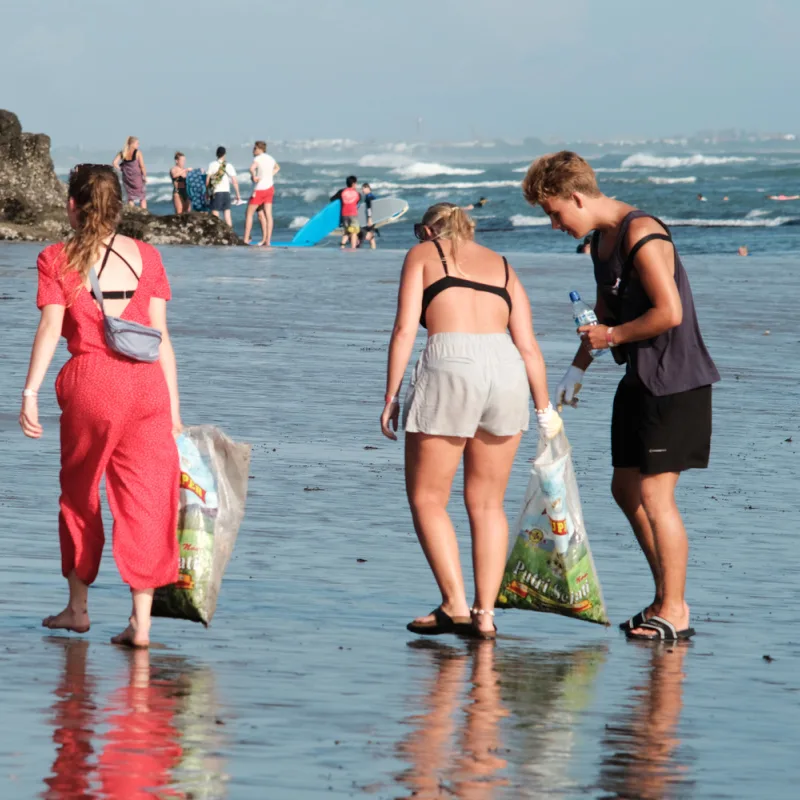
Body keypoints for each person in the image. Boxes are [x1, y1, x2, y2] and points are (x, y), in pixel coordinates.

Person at [522, 151, 720, 642]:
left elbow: (668, 312)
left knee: (655, 494)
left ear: (576, 197)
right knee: (624, 489)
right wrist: (576, 368)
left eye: (554, 212)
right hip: (640, 379)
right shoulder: (601, 242)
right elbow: (602, 317)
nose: (553, 224)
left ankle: (675, 609)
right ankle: (664, 597)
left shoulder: (642, 233)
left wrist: (609, 339)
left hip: (676, 382)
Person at [380, 203, 562, 640]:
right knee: (487, 504)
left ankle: (454, 604)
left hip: (451, 361)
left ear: (427, 230)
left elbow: (406, 329)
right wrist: (544, 411)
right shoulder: (503, 265)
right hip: (507, 369)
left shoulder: (422, 254)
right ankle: (485, 613)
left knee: (427, 498)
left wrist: (390, 396)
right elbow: (530, 347)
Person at [19, 164, 183, 648]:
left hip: (92, 383)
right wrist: (174, 411)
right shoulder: (148, 256)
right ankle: (142, 622)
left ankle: (78, 608)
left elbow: (51, 329)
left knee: (80, 492)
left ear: (73, 205)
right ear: (119, 206)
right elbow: (162, 338)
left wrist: (29, 392)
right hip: (148, 386)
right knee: (148, 498)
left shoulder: (56, 258)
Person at [244, 141, 280, 246]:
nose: (253, 150)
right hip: (270, 188)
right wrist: (269, 175)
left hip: (260, 189)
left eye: (255, 148)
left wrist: (254, 176)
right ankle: (267, 240)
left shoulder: (257, 158)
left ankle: (246, 239)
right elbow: (277, 168)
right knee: (264, 214)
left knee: (248, 213)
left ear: (260, 149)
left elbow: (251, 169)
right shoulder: (271, 158)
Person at [206, 146, 240, 227]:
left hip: (216, 193)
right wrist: (238, 195)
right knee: (227, 216)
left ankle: (217, 234)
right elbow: (234, 181)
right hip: (226, 193)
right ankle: (230, 235)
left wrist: (207, 192)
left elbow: (207, 180)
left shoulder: (212, 165)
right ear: (224, 154)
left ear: (216, 154)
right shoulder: (229, 165)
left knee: (215, 216)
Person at [112, 137, 147, 209]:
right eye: (137, 143)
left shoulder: (122, 152)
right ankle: (144, 212)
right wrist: (144, 176)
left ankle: (132, 212)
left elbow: (114, 163)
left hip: (127, 177)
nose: (138, 145)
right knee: (142, 197)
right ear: (132, 144)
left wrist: (122, 169)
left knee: (130, 197)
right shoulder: (138, 152)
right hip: (137, 178)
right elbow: (142, 166)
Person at [330, 176, 361, 249]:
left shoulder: (342, 192)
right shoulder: (357, 193)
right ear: (353, 184)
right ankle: (353, 249)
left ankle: (342, 246)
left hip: (344, 214)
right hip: (353, 214)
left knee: (347, 231)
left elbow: (332, 199)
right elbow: (357, 202)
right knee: (354, 232)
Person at [360, 182, 377, 249]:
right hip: (373, 219)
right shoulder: (372, 196)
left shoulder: (369, 197)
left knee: (368, 236)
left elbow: (369, 208)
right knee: (371, 237)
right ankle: (373, 250)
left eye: (363, 188)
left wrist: (369, 218)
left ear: (368, 188)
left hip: (370, 219)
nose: (362, 190)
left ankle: (357, 248)